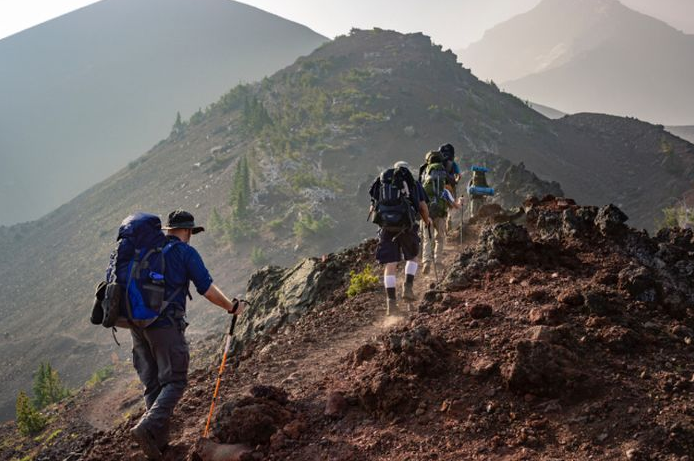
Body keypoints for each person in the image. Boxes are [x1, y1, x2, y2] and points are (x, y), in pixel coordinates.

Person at [130, 210, 245, 460]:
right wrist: (231, 307)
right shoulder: (185, 252)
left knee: (154, 384)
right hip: (165, 324)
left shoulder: (145, 251)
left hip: (136, 325)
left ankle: (158, 446)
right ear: (187, 231)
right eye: (191, 232)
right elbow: (206, 288)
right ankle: (146, 427)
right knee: (175, 381)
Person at [369, 161, 430, 315]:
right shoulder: (413, 184)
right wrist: (427, 221)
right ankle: (408, 287)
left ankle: (391, 304)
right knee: (412, 257)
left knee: (390, 265)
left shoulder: (382, 184)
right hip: (406, 226)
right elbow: (422, 207)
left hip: (386, 228)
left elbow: (373, 207)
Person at [420, 151, 464, 275]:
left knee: (427, 238)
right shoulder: (445, 189)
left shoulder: (424, 179)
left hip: (427, 213)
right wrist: (460, 202)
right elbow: (455, 206)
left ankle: (426, 261)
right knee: (440, 238)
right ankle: (438, 261)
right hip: (441, 212)